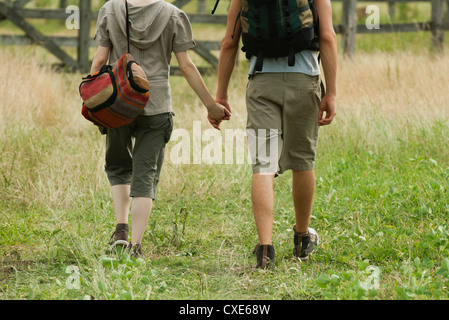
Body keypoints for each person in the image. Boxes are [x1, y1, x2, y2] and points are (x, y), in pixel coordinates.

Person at [90, 0, 230, 258]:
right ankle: (136, 246)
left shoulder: (110, 9)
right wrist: (211, 105)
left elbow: (99, 59)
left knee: (119, 166)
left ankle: (120, 231)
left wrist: (95, 102)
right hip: (156, 106)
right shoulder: (173, 15)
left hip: (118, 103)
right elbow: (186, 66)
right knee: (145, 175)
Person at [214, 0, 337, 268]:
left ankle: (265, 250)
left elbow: (228, 43)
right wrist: (332, 93)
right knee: (302, 162)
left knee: (263, 166)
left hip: (261, 83)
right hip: (305, 82)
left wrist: (221, 95)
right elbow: (327, 37)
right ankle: (302, 240)